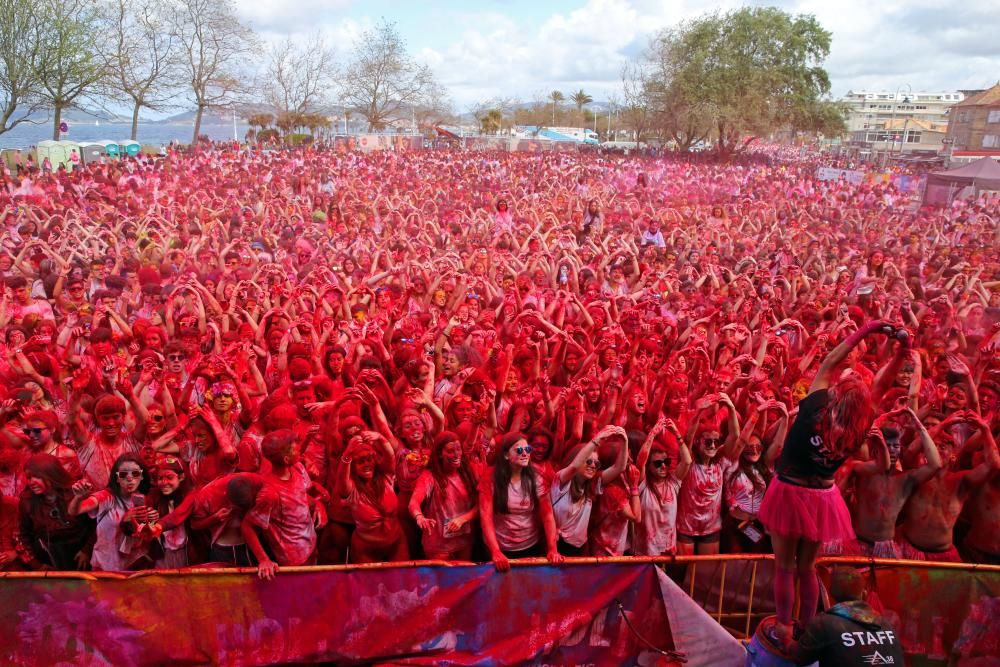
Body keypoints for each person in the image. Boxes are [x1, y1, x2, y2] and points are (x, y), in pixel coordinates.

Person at [758, 321, 897, 646]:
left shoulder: (814, 407)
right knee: (807, 567)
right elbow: (884, 383)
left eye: (848, 378)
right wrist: (902, 353)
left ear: (837, 394)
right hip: (822, 496)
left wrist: (869, 329)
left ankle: (784, 627)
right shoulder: (858, 429)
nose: (847, 373)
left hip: (790, 491)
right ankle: (806, 627)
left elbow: (833, 359)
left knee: (784, 566)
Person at [785, 567, 905, 667]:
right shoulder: (886, 624)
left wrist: (785, 637)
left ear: (830, 592)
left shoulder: (823, 624)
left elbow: (800, 658)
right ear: (864, 594)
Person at [479, 433, 564, 571]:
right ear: (506, 455)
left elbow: (548, 516)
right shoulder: (490, 479)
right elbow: (485, 517)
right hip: (500, 547)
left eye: (528, 449)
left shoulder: (537, 479)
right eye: (519, 450)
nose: (525, 453)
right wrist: (495, 551)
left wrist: (552, 549)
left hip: (530, 545)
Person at [68, 453, 155, 571]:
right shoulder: (107, 497)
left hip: (134, 564)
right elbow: (75, 510)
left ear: (142, 476)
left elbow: (148, 534)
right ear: (117, 478)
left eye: (135, 473)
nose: (130, 479)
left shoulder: (145, 499)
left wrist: (151, 522)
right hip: (106, 565)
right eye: (124, 474)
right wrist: (78, 498)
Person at [409, 431, 479, 560]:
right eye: (451, 451)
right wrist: (420, 517)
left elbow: (480, 506)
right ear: (440, 454)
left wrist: (463, 519)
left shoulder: (467, 474)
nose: (457, 454)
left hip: (464, 542)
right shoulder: (429, 477)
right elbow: (414, 502)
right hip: (438, 546)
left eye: (459, 449)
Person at [17, 453, 94, 570]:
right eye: (28, 478)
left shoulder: (75, 492)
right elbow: (22, 536)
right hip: (48, 561)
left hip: (81, 559)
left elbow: (96, 525)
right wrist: (37, 565)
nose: (31, 482)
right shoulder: (26, 500)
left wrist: (87, 551)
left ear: (51, 474)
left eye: (36, 476)